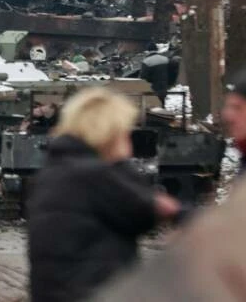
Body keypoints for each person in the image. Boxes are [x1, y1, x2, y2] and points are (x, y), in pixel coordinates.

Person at [26, 88, 180, 302]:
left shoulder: (56, 170)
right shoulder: (93, 174)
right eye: (124, 132)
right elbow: (144, 211)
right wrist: (121, 163)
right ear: (108, 132)